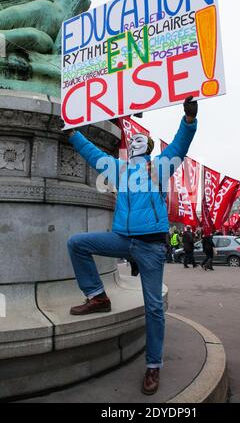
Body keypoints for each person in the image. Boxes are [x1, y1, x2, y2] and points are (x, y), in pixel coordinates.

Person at [61, 96, 198, 395]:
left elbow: (179, 145)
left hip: (150, 248)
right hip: (123, 240)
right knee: (77, 244)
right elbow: (93, 154)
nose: (136, 140)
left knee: (154, 307)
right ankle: (97, 296)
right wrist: (72, 134)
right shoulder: (119, 169)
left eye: (141, 139)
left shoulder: (160, 167)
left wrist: (188, 121)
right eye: (133, 139)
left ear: (147, 147)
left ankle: (153, 365)